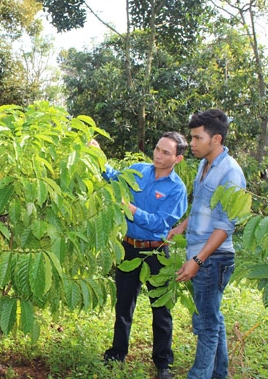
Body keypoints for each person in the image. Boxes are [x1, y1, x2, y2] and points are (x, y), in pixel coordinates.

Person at [95, 132, 189, 379]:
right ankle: (117, 353)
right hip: (129, 247)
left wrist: (134, 211)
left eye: (166, 152)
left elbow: (161, 224)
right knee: (124, 303)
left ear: (177, 159)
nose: (158, 155)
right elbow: (114, 179)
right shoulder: (137, 170)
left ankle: (163, 363)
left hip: (157, 250)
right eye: (157, 149)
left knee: (161, 308)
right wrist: (97, 157)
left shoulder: (177, 190)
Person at [168, 109, 246, 379]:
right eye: (192, 137)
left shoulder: (231, 172)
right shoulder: (204, 165)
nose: (192, 143)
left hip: (213, 258)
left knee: (206, 324)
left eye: (197, 138)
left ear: (216, 139)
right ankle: (218, 374)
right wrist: (182, 226)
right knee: (213, 318)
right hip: (202, 255)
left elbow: (225, 226)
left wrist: (198, 261)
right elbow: (202, 206)